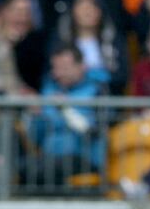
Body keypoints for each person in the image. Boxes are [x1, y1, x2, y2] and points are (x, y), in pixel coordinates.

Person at [23, 44, 105, 187]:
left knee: (43, 171)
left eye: (64, 68)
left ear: (81, 67)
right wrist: (35, 116)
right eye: (55, 68)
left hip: (84, 158)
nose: (57, 74)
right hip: (49, 157)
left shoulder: (97, 91)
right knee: (20, 168)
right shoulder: (49, 89)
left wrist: (66, 110)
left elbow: (93, 132)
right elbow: (36, 137)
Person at [52, 0, 129, 95]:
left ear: (99, 12)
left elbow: (123, 75)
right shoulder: (60, 40)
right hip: (67, 98)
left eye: (92, 7)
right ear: (73, 12)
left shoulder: (113, 40)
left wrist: (87, 74)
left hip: (105, 100)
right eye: (82, 8)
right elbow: (50, 72)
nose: (87, 12)